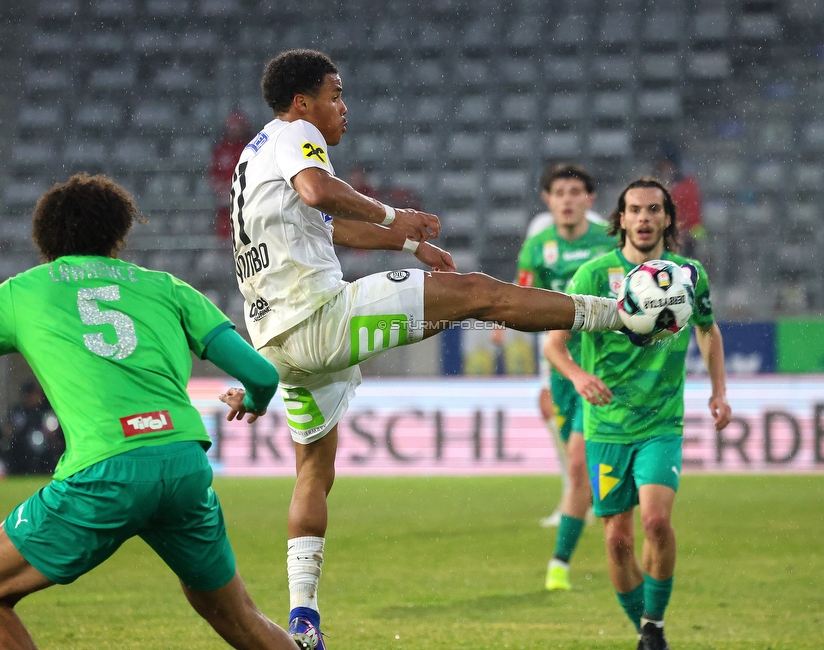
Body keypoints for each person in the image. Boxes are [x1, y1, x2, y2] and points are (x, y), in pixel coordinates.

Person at [224, 48, 634, 650]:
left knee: (313, 470)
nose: (344, 108)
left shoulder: (252, 154)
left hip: (273, 343)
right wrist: (396, 212)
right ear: (302, 101)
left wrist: (404, 244)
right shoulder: (297, 134)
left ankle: (304, 619)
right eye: (335, 94)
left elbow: (324, 227)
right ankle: (619, 316)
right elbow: (317, 193)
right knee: (478, 295)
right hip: (321, 319)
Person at [0, 173, 302, 650]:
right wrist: (254, 405)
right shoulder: (167, 288)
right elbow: (262, 376)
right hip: (182, 463)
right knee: (242, 619)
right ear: (117, 232)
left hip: (105, 470)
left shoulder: (22, 292)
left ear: (45, 237)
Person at [544, 177, 732, 650]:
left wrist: (718, 391)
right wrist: (578, 377)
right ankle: (644, 631)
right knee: (617, 541)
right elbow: (553, 343)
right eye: (635, 210)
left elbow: (708, 331)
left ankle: (656, 622)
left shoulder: (689, 275)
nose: (644, 218)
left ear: (668, 218)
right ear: (621, 219)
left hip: (660, 423)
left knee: (655, 522)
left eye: (653, 210)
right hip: (606, 426)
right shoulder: (592, 276)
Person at [514, 162, 618, 589]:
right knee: (580, 468)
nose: (568, 200)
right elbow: (523, 308)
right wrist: (542, 380)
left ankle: (561, 562)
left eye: (577, 192)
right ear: (548, 200)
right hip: (559, 369)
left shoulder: (610, 242)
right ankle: (571, 554)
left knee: (580, 464)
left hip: (606, 364)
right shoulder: (537, 249)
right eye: (560, 193)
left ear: (589, 200)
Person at [654, 141, 705, 259]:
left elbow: (693, 217)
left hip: (686, 242)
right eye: (662, 166)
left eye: (667, 165)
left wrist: (683, 234)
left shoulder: (687, 186)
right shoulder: (655, 187)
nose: (665, 169)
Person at [210, 111, 256, 240]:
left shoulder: (251, 147)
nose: (235, 129)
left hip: (248, 199)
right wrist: (223, 189)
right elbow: (213, 174)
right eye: (232, 125)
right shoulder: (221, 148)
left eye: (237, 125)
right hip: (226, 203)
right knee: (227, 234)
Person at [3, 381, 65, 476]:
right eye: (29, 395)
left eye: (34, 394)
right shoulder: (19, 411)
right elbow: (10, 428)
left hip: (46, 443)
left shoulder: (46, 410)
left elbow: (53, 427)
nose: (32, 398)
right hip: (24, 445)